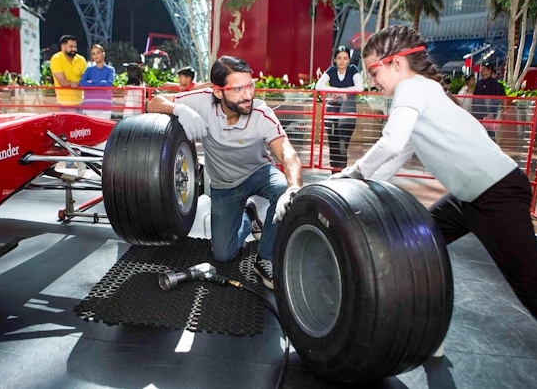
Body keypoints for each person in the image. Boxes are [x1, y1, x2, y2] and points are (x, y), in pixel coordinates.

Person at [332, 26, 537, 354]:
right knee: (418, 249)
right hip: (468, 198)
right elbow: (397, 154)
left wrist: (352, 172)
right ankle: (429, 334)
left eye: (374, 71)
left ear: (396, 64)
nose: (373, 80)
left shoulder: (412, 88)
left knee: (533, 290)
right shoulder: (420, 92)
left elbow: (390, 144)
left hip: (497, 192)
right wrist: (360, 183)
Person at [147, 55, 303, 290]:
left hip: (258, 173)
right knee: (223, 255)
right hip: (224, 185)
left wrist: (294, 187)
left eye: (250, 85)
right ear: (218, 92)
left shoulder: (260, 112)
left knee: (282, 189)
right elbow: (153, 102)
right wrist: (178, 109)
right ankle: (248, 217)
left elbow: (287, 153)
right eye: (238, 89)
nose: (248, 94)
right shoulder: (201, 101)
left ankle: (266, 257)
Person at [315, 46, 363, 171]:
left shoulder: (353, 69)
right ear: (335, 59)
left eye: (345, 58)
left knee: (343, 144)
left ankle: (341, 172)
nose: (342, 61)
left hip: (348, 113)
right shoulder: (331, 70)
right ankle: (334, 172)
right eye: (339, 58)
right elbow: (318, 86)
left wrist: (342, 92)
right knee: (333, 143)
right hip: (332, 113)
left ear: (348, 60)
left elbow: (359, 87)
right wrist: (339, 92)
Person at [50, 35, 88, 114]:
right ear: (63, 46)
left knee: (81, 125)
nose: (74, 49)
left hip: (81, 101)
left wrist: (78, 83)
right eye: (71, 46)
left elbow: (86, 79)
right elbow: (62, 82)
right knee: (73, 125)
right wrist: (75, 83)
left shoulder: (81, 60)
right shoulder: (56, 59)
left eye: (75, 46)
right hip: (65, 102)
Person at [79, 44, 115, 120]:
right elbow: (82, 84)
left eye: (98, 52)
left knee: (104, 130)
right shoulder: (89, 70)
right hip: (89, 106)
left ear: (103, 54)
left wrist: (92, 82)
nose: (96, 55)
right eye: (93, 53)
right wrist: (101, 83)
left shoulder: (110, 70)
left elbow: (109, 84)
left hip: (105, 107)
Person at [472, 61, 505, 138]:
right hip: (478, 111)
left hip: (489, 112)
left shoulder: (495, 84)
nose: (481, 71)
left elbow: (496, 98)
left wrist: (492, 111)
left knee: (489, 132)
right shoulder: (479, 83)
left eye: (483, 69)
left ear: (489, 71)